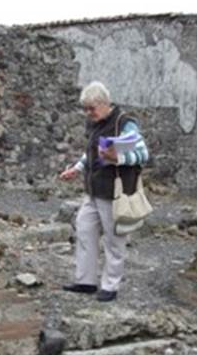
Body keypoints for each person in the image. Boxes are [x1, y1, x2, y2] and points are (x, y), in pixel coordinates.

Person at [58, 81, 149, 302]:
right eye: (86, 109)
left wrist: (118, 158)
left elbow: (143, 154)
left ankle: (111, 285)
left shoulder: (125, 124)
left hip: (113, 193)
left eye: (92, 108)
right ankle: (85, 281)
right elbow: (90, 153)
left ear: (104, 103)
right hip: (93, 191)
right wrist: (77, 168)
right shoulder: (96, 124)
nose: (88, 113)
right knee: (84, 231)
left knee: (114, 240)